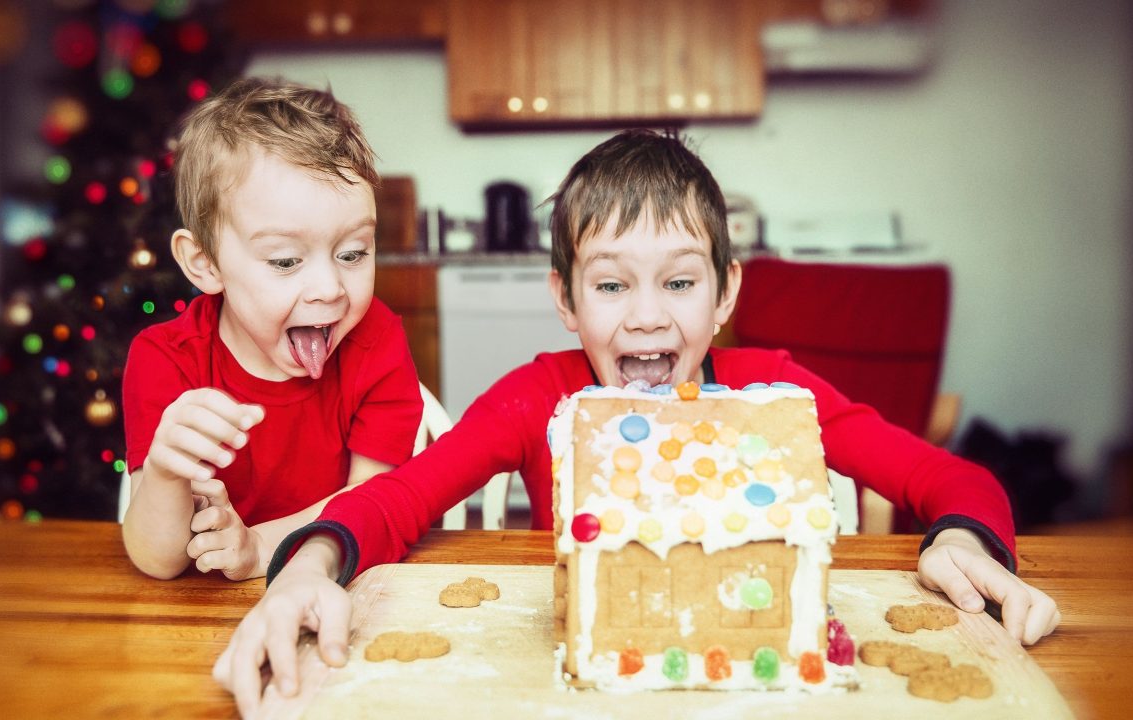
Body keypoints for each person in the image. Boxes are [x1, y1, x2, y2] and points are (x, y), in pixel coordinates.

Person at [213, 129, 1060, 716]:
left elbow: (959, 479)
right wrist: (307, 567)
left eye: (680, 283)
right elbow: (394, 500)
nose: (647, 318)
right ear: (566, 302)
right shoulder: (536, 402)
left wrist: (961, 541)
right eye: (612, 285)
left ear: (725, 294)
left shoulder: (777, 394)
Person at [121, 78, 422, 582]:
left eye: (353, 253)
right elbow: (158, 560)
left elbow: (373, 500)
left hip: (339, 585)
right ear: (205, 264)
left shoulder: (378, 341)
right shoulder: (165, 359)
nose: (329, 288)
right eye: (285, 260)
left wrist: (261, 546)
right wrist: (166, 474)